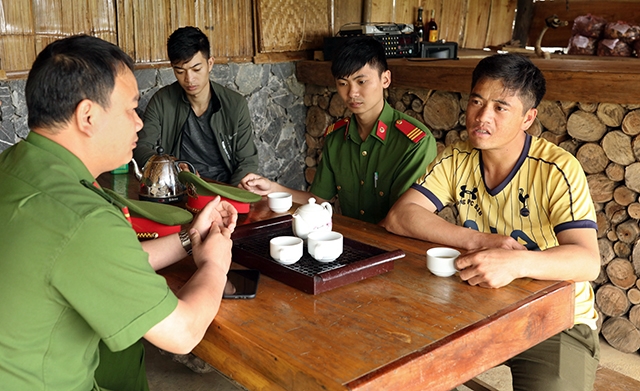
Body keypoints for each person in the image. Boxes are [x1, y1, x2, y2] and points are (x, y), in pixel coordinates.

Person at [0, 34, 237, 390]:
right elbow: (183, 333)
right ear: (88, 116)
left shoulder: (13, 164)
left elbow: (94, 259)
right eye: (130, 108)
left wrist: (190, 238)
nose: (139, 123)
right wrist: (215, 264)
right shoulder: (84, 217)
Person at [383, 53, 600, 391]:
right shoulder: (457, 158)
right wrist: (478, 241)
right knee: (401, 373)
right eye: (477, 101)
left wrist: (516, 263)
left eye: (501, 107)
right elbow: (400, 216)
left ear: (528, 118)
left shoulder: (557, 169)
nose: (482, 116)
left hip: (557, 319)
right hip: (471, 306)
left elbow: (587, 262)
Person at [239, 35, 437, 224]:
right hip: (348, 243)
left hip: (398, 248)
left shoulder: (415, 142)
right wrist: (271, 188)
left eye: (361, 81)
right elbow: (317, 200)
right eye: (343, 83)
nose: (352, 93)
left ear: (385, 79)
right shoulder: (337, 137)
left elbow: (402, 218)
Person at [133, 26, 258, 185]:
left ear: (210, 63)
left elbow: (247, 162)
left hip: (225, 187)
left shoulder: (235, 105)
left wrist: (233, 193)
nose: (189, 79)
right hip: (181, 187)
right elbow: (141, 147)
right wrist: (172, 166)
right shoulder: (162, 101)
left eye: (196, 69)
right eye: (180, 71)